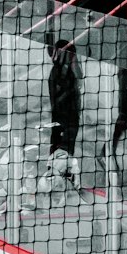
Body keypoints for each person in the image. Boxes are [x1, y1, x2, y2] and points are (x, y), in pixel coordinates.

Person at [41, 38, 82, 191]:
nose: (73, 57)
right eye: (70, 54)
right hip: (62, 119)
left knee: (67, 150)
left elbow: (79, 77)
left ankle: (63, 180)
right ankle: (55, 180)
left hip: (70, 118)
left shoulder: (69, 71)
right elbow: (58, 99)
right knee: (60, 149)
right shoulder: (57, 73)